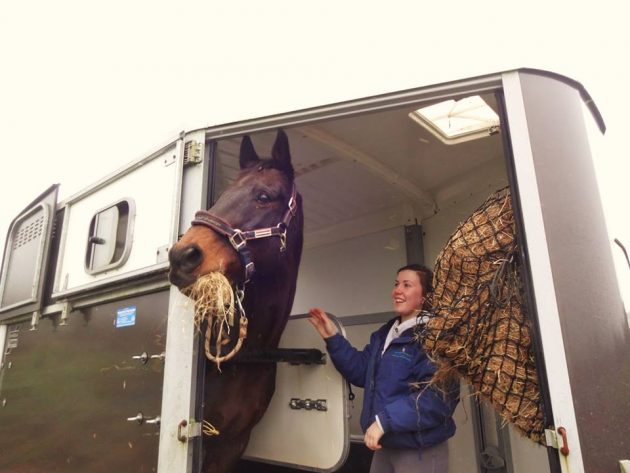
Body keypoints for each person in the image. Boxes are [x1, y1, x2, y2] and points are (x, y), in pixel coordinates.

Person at [309, 264, 459, 473]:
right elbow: (362, 371)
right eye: (397, 284)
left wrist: (383, 422)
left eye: (407, 285)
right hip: (385, 444)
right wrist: (332, 337)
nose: (397, 290)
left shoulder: (435, 338)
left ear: (425, 297)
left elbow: (438, 398)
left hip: (419, 449)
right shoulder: (385, 334)